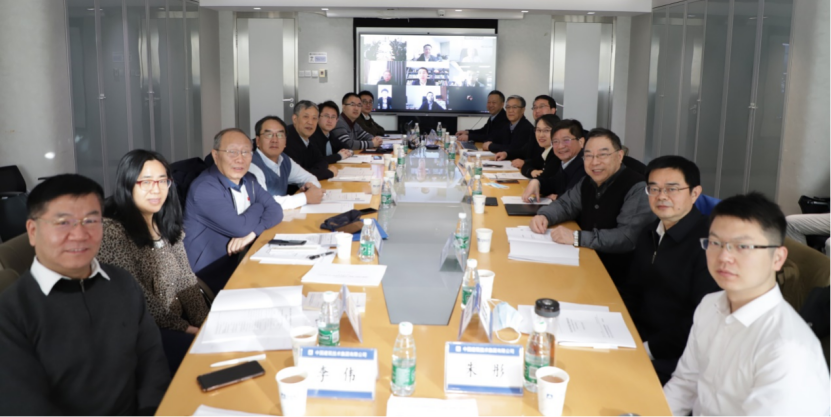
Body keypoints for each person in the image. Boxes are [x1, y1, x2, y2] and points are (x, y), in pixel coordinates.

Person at [0, 174, 170, 415]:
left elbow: (152, 359)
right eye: (62, 222)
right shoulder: (11, 313)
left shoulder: (122, 282)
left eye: (91, 221)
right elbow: (25, 407)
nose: (79, 234)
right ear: (33, 231)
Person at [663, 192, 830, 415]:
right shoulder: (710, 305)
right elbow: (686, 384)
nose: (724, 257)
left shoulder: (786, 348)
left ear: (778, 258)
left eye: (743, 246)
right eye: (715, 243)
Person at [98, 150, 209, 374]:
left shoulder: (164, 221)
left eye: (162, 181)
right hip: (140, 331)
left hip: (176, 321)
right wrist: (186, 329)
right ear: (128, 184)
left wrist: (205, 323)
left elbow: (186, 280)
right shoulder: (111, 231)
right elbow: (135, 296)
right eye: (146, 182)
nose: (156, 189)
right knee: (201, 360)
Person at [621, 156, 720, 386]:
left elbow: (700, 321)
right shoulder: (649, 232)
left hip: (678, 358)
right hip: (637, 338)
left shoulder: (710, 245)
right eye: (654, 188)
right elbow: (632, 289)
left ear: (695, 193)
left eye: (672, 189)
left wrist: (646, 350)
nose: (661, 196)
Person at [530, 128, 654, 287]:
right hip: (586, 263)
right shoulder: (587, 181)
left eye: (602, 155)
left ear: (619, 156)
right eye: (588, 156)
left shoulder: (637, 187)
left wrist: (577, 237)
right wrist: (544, 216)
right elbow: (566, 204)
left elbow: (626, 237)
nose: (594, 162)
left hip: (619, 278)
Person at [184, 128, 284, 294]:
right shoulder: (205, 189)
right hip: (209, 277)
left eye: (246, 152)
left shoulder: (249, 179)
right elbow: (240, 228)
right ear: (216, 155)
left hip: (239, 262)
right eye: (232, 152)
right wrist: (259, 207)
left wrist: (253, 233)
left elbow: (276, 210)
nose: (240, 159)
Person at [249, 115, 324, 210]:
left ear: (285, 142)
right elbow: (263, 203)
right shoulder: (252, 165)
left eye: (280, 135)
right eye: (268, 135)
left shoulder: (284, 159)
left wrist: (310, 187)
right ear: (258, 141)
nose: (275, 140)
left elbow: (309, 177)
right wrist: (305, 198)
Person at [521, 119, 587, 201]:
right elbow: (554, 183)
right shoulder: (566, 163)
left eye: (566, 140)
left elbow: (575, 198)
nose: (560, 146)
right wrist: (537, 182)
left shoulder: (585, 166)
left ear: (581, 142)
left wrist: (559, 197)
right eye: (555, 141)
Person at [495, 94, 562, 169]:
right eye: (535, 107)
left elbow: (542, 161)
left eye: (542, 107)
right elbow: (524, 150)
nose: (537, 110)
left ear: (553, 110)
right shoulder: (534, 130)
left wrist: (525, 163)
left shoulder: (559, 132)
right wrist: (506, 154)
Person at [284, 101, 338, 181]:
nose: (310, 122)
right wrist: (327, 172)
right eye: (306, 117)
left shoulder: (308, 138)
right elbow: (298, 175)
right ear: (295, 119)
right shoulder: (286, 139)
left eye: (314, 118)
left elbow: (322, 161)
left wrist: (315, 171)